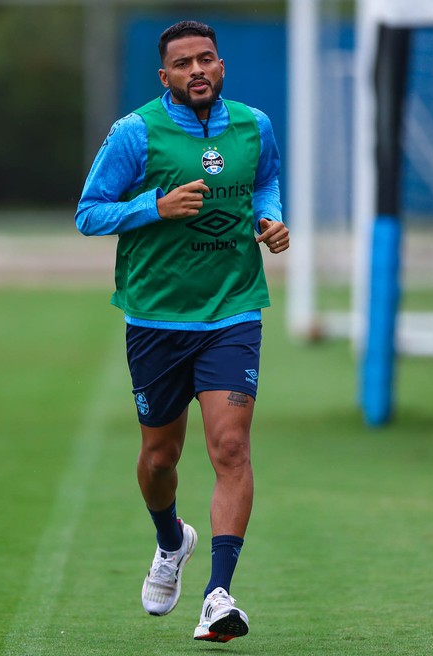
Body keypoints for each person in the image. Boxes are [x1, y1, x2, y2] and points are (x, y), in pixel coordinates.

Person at [75, 19, 288, 643]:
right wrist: (155, 207)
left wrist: (271, 219)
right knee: (160, 456)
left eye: (208, 60)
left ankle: (219, 595)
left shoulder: (254, 126)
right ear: (164, 75)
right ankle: (172, 540)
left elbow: (266, 180)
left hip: (232, 311)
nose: (199, 71)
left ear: (221, 66)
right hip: (157, 319)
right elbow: (89, 213)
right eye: (185, 64)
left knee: (230, 448)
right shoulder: (135, 132)